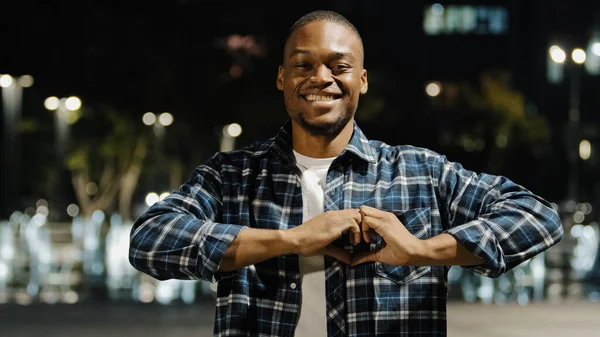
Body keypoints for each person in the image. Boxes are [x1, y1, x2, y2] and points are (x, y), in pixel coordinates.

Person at [129, 10, 564, 336]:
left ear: (362, 79)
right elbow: (149, 239)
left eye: (339, 66)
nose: (321, 78)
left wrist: (425, 251)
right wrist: (291, 241)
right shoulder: (233, 176)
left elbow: (538, 216)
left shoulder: (420, 173)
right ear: (282, 77)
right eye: (303, 65)